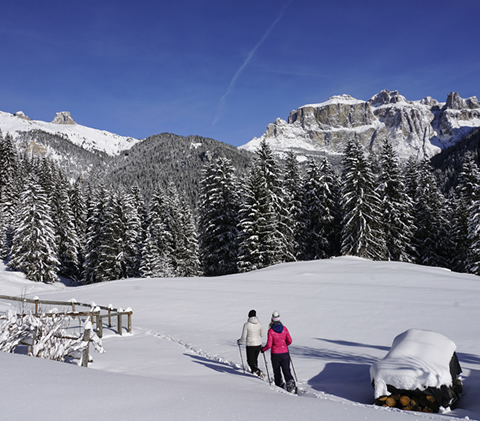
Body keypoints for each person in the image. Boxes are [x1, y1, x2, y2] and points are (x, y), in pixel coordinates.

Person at [261, 310, 296, 393]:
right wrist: (284, 345)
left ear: (272, 320)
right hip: (285, 353)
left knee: (277, 371)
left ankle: (279, 386)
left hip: (275, 354)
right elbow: (290, 341)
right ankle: (291, 387)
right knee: (286, 370)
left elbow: (269, 345)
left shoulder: (270, 331)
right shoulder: (284, 329)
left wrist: (263, 349)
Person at [237, 309, 264, 377]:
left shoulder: (246, 325)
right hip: (258, 344)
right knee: (255, 359)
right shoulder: (259, 324)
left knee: (250, 361)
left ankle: (257, 371)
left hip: (250, 345)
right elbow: (262, 334)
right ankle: (255, 373)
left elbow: (244, 336)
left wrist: (240, 342)